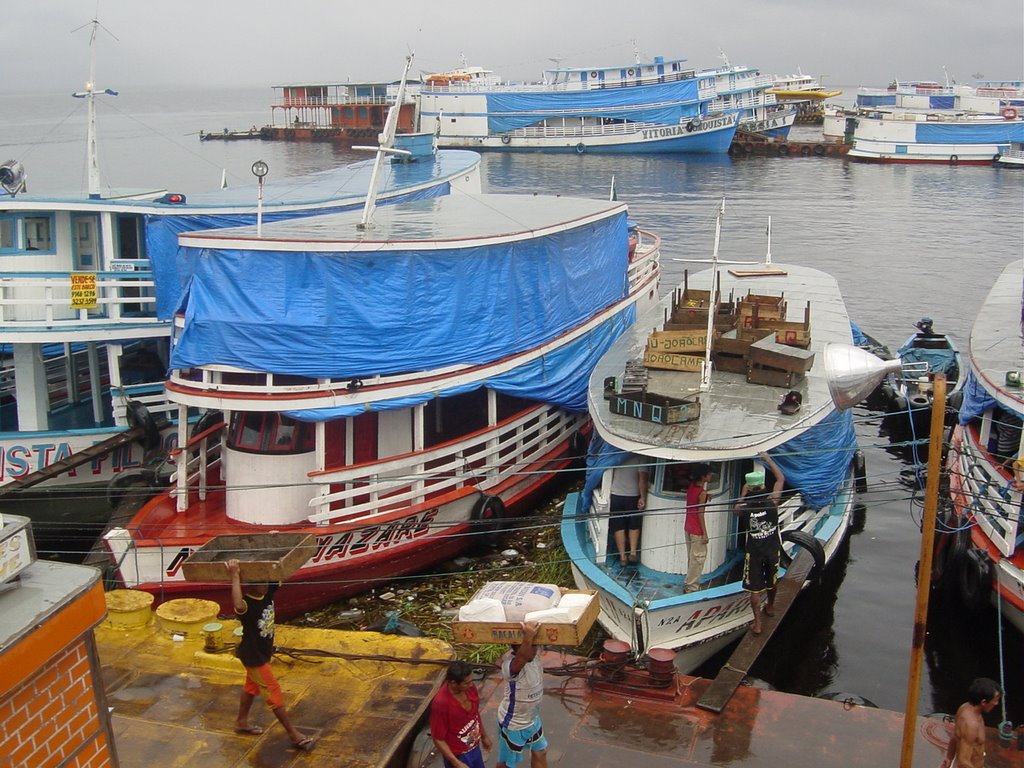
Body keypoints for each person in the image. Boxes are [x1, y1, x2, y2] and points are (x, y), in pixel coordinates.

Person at [226, 559, 314, 751]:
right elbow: (237, 603)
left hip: (263, 651)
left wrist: (276, 547)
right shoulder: (248, 603)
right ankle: (293, 734)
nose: (264, 586)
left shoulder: (268, 593)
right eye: (260, 583)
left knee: (251, 688)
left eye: (266, 582)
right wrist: (234, 575)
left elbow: (282, 570)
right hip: (253, 656)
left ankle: (241, 722)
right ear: (250, 584)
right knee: (273, 692)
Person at [733, 452, 785, 635]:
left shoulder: (744, 509)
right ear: (763, 485)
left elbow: (736, 509)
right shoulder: (773, 502)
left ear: (749, 487)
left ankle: (757, 624)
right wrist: (768, 459)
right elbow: (780, 479)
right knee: (772, 581)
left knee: (754, 589)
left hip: (754, 553)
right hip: (772, 550)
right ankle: (770, 606)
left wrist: (742, 493)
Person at [497, 620, 547, 768]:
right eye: (530, 646)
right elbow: (522, 658)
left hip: (532, 719)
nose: (534, 649)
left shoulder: (534, 655)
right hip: (514, 723)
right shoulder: (510, 665)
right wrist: (529, 637)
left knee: (541, 752)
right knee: (507, 763)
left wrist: (532, 637)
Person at [430, 660, 492, 768]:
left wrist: (484, 736)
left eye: (471, 681)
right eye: (466, 683)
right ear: (453, 683)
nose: (471, 685)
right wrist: (456, 763)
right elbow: (438, 739)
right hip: (459, 755)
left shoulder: (470, 689)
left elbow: (475, 714)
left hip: (474, 747)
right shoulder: (441, 704)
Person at [941, 677, 1002, 768]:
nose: (996, 703)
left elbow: (955, 736)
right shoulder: (971, 725)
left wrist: (949, 757)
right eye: (995, 700)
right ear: (984, 702)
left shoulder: (964, 707)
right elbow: (963, 761)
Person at [608, 455, 650, 566]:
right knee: (634, 524)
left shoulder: (617, 452)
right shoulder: (641, 456)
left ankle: (622, 557)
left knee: (618, 526)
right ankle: (633, 552)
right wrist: (643, 497)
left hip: (616, 494)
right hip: (632, 495)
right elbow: (643, 479)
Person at [684, 464, 714, 593]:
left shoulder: (691, 487)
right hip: (697, 529)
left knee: (692, 558)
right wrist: (705, 534)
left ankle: (689, 583)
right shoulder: (702, 492)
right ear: (703, 476)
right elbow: (700, 513)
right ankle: (692, 587)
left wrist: (706, 496)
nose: (711, 475)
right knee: (698, 559)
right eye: (709, 474)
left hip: (688, 526)